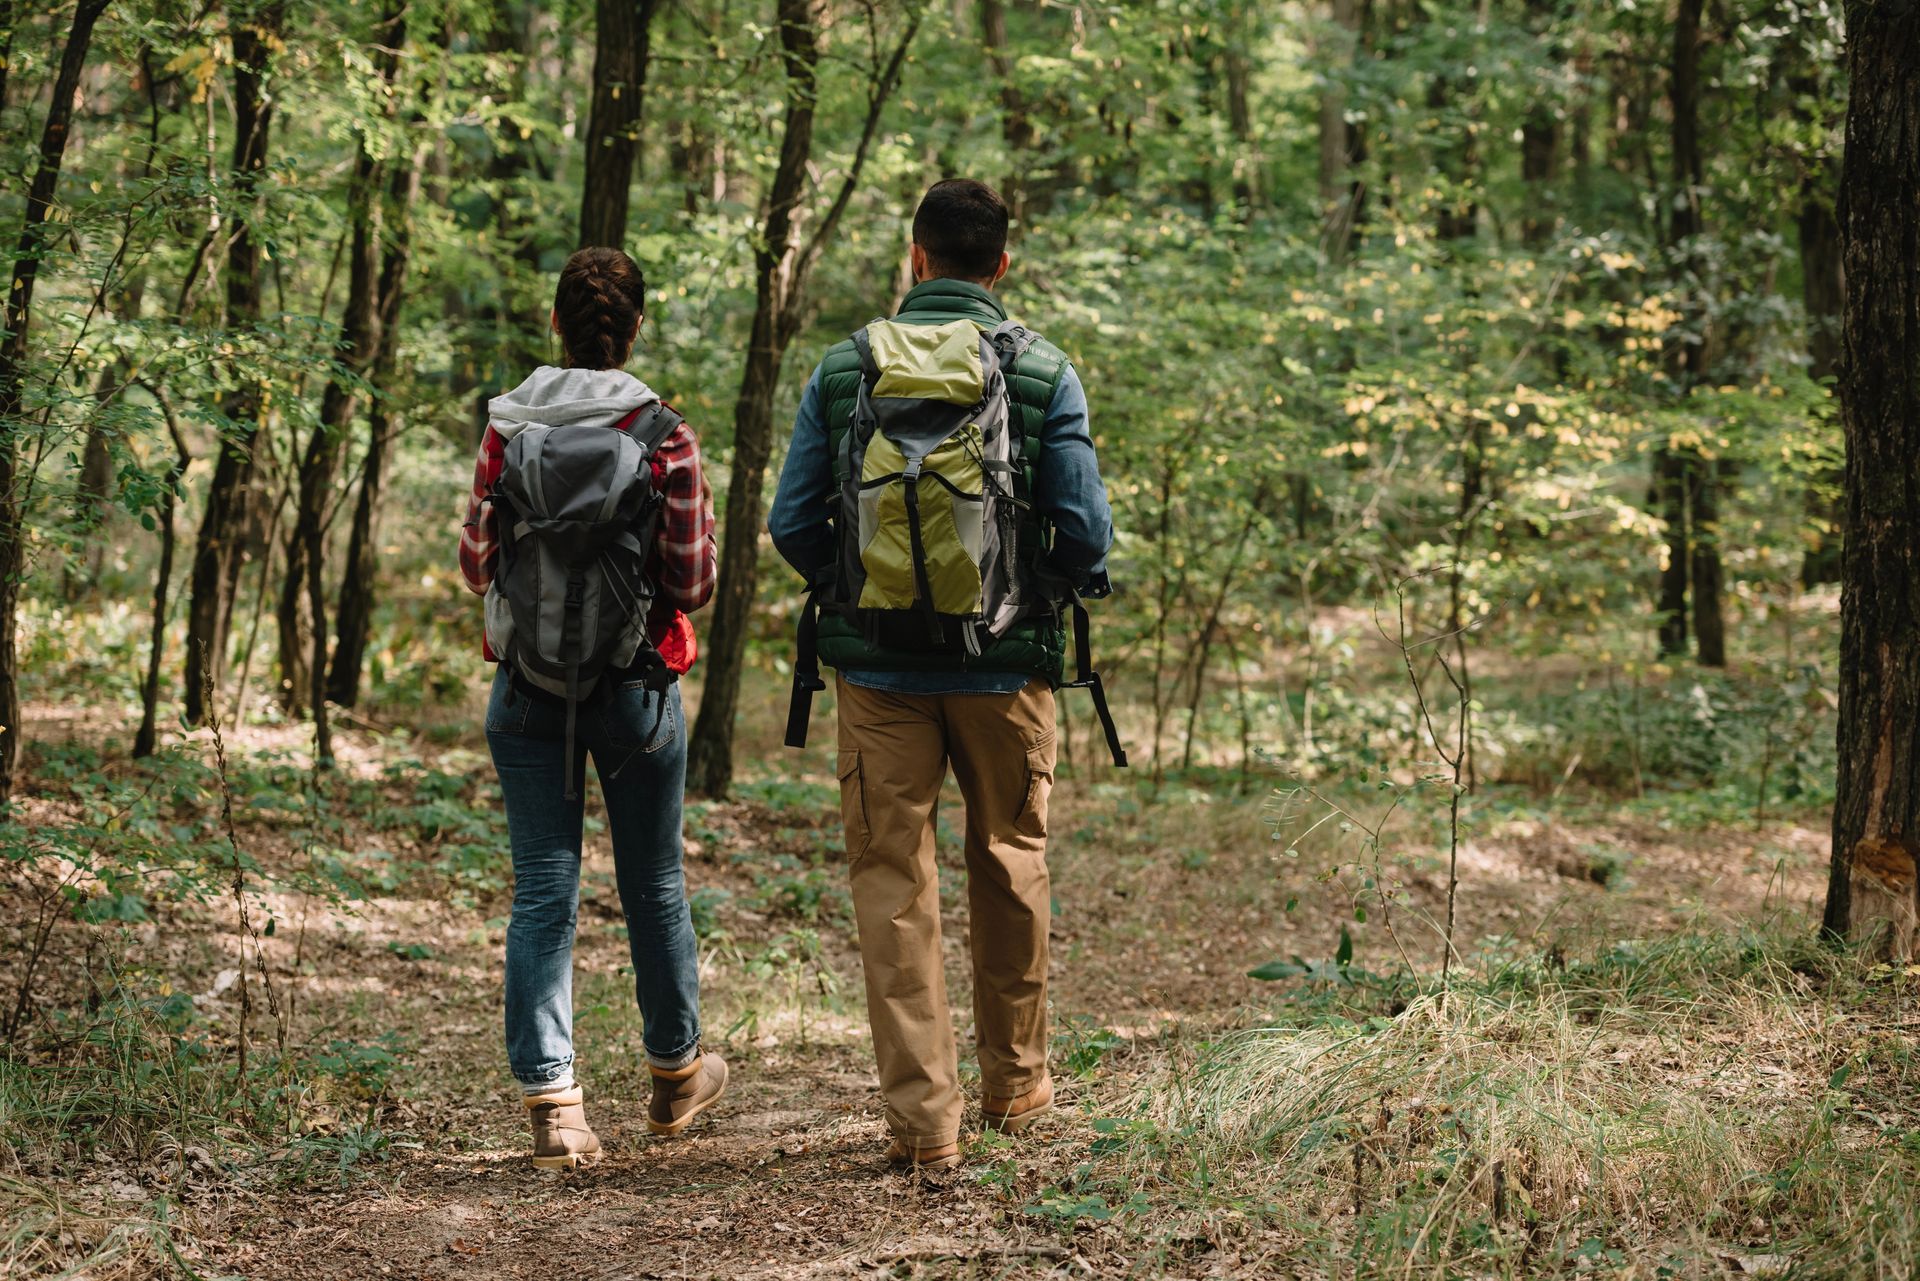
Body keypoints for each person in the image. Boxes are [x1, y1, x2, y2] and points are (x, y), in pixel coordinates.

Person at [768, 180, 1114, 1170]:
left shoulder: (845, 370)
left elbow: (794, 523)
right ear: (1001, 265)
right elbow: (1084, 531)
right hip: (1006, 675)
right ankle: (1018, 1088)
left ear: (916, 258)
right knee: (1010, 861)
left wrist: (863, 587)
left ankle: (924, 1127)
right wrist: (1043, 587)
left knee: (894, 885)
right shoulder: (1043, 370)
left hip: (879, 678)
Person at [458, 247, 728, 1169]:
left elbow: (475, 564)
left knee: (544, 890)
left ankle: (556, 1108)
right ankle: (674, 1077)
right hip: (638, 689)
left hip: (529, 688)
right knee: (653, 884)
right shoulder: (665, 432)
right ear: (637, 329)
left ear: (555, 325)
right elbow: (691, 582)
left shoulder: (508, 424)